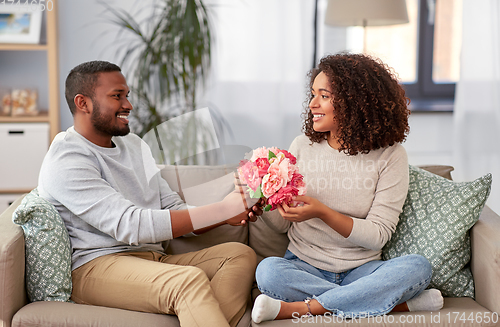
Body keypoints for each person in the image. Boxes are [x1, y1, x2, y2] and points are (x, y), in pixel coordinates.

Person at [38, 60, 262, 327]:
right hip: (94, 266)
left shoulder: (133, 145)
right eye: (116, 96)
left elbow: (171, 209)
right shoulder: (67, 158)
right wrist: (223, 208)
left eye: (127, 96)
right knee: (187, 281)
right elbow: (131, 225)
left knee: (239, 255)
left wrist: (227, 217)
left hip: (153, 258)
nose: (128, 105)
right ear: (83, 103)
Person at [251, 53, 444, 323]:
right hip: (303, 267)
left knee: (417, 268)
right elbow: (283, 226)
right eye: (312, 94)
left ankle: (307, 307)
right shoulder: (302, 147)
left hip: (363, 270)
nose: (312, 104)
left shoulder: (390, 155)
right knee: (268, 271)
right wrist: (263, 200)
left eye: (324, 96)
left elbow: (378, 235)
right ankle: (386, 303)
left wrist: (322, 212)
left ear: (354, 102)